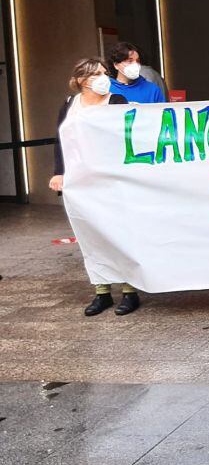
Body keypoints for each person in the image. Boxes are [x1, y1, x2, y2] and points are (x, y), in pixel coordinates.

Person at [49, 58, 140, 317]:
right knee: (91, 234)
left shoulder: (116, 102)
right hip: (82, 180)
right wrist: (59, 172)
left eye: (104, 73)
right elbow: (61, 140)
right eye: (97, 74)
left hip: (113, 179)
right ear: (81, 80)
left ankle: (129, 291)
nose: (104, 78)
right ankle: (102, 291)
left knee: (120, 233)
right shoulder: (70, 105)